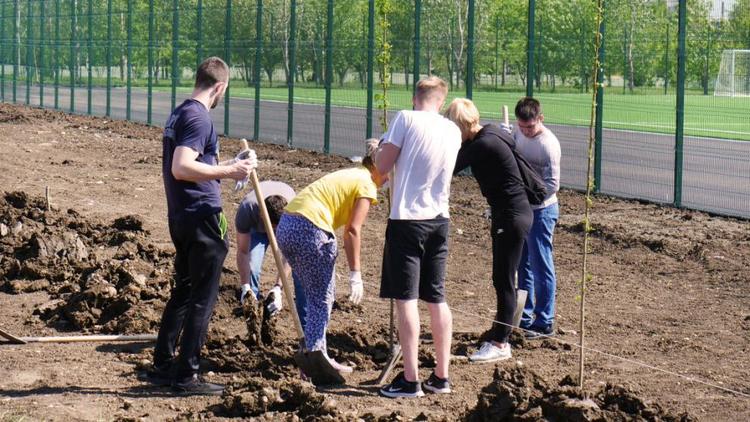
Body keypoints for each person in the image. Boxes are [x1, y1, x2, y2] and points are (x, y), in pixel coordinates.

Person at [142, 57, 258, 396]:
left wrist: (230, 165)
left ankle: (163, 364)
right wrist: (230, 172)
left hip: (182, 216)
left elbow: (196, 162)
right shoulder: (198, 117)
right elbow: (182, 166)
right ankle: (186, 376)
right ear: (220, 87)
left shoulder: (180, 112)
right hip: (202, 218)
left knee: (184, 290)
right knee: (202, 299)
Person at [374, 76, 462, 398]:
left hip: (407, 221)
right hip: (440, 220)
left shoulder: (405, 118)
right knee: (436, 298)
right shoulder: (452, 130)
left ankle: (410, 381)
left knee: (406, 300)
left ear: (415, 97)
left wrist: (378, 149)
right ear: (441, 100)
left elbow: (382, 167)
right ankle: (441, 377)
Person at [276, 142, 386, 374]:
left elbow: (346, 229)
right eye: (389, 169)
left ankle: (316, 351)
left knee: (314, 294)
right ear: (378, 165)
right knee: (321, 299)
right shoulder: (367, 184)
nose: (389, 178)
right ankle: (316, 358)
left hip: (287, 225)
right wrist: (356, 274)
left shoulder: (354, 174)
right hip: (310, 229)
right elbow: (353, 231)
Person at [445, 98, 532, 363]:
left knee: (504, 279)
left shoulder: (482, 145)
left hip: (511, 216)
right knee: (503, 278)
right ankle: (499, 331)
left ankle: (500, 343)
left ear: (460, 124)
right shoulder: (491, 132)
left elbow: (448, 166)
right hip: (514, 213)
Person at [510, 97, 561, 339]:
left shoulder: (548, 145)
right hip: (524, 208)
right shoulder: (517, 133)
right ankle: (526, 315)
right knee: (523, 264)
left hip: (542, 210)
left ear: (540, 118)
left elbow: (552, 185)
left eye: (530, 127)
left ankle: (545, 321)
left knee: (542, 265)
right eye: (521, 126)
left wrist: (530, 197)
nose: (526, 131)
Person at [235, 181, 306, 325]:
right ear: (262, 214)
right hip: (256, 230)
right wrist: (245, 286)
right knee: (252, 268)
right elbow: (243, 252)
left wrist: (278, 287)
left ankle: (305, 326)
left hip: (287, 224)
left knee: (301, 272)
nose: (272, 231)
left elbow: (290, 255)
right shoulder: (247, 209)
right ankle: (253, 316)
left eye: (275, 228)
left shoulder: (294, 213)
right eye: (271, 227)